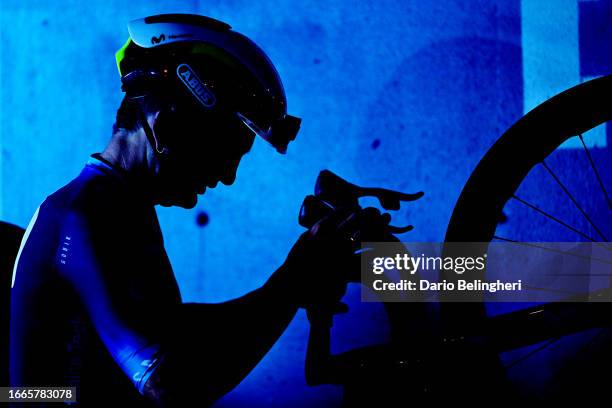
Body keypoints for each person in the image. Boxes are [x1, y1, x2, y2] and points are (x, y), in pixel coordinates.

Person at [9, 13, 383, 407]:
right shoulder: (81, 216)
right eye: (226, 152)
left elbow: (172, 332)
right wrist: (291, 285)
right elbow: (171, 384)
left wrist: (293, 281)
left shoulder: (118, 203)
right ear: (167, 126)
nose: (228, 176)